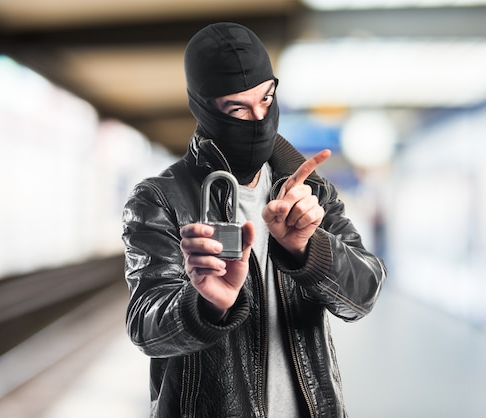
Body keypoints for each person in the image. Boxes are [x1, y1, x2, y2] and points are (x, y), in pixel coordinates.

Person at [122, 22, 386, 417]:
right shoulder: (159, 199)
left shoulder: (309, 191)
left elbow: (363, 294)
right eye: (237, 109)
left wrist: (307, 250)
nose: (259, 117)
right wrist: (204, 304)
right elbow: (146, 326)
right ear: (203, 108)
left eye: (266, 99)